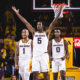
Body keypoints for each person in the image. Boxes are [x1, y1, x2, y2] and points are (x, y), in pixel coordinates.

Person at [12, 5, 63, 80]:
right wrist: (17, 13)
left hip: (44, 56)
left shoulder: (46, 33)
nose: (38, 25)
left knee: (46, 74)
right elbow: (25, 22)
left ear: (42, 26)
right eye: (37, 24)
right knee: (35, 74)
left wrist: (59, 13)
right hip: (35, 56)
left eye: (39, 24)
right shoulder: (33, 32)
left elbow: (53, 23)